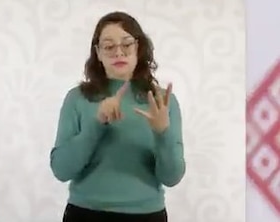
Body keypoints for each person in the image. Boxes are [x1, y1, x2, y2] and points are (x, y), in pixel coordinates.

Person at [48, 11, 185, 222]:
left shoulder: (161, 101)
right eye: (109, 46)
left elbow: (172, 177)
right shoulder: (77, 98)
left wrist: (162, 133)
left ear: (138, 48)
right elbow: (61, 170)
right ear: (98, 52)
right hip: (85, 213)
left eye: (126, 44)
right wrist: (97, 122)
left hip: (147, 215)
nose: (118, 52)